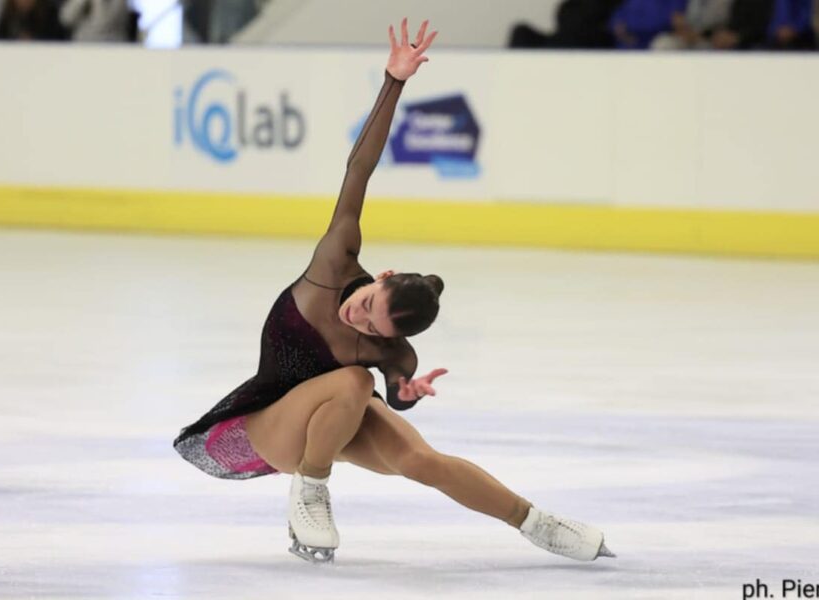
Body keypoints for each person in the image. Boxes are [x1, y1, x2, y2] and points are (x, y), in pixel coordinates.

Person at [174, 18, 615, 565]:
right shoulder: (334, 259)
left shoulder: (394, 352)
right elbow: (360, 167)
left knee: (420, 459)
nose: (358, 320)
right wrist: (394, 81)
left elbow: (399, 389)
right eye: (366, 307)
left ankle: (537, 522)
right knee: (355, 380)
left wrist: (408, 392)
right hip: (266, 426)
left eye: (372, 328)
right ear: (381, 276)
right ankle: (310, 490)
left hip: (335, 419)